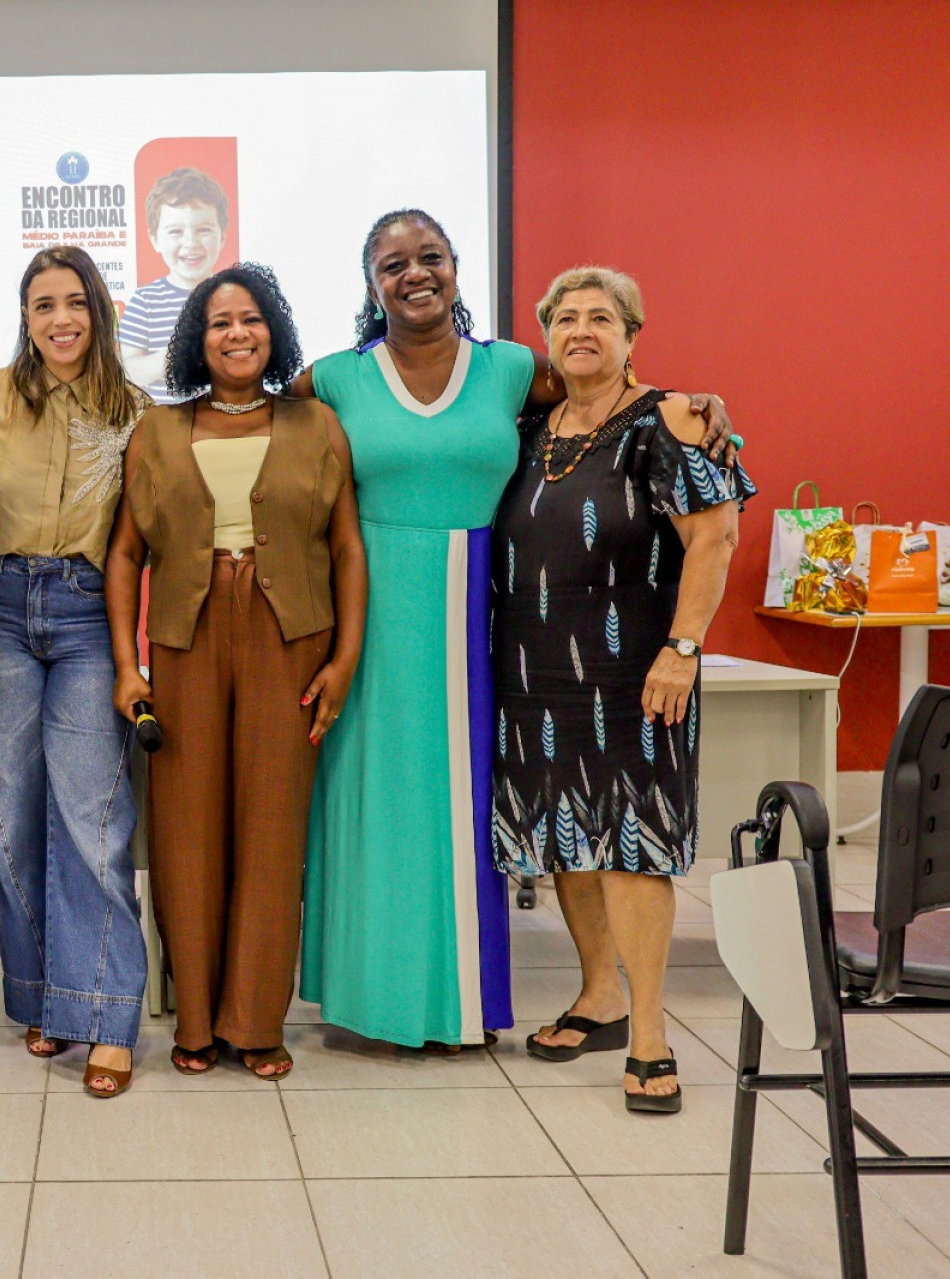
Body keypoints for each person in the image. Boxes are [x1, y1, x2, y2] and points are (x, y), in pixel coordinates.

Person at [293, 208, 737, 1052]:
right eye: (394, 263)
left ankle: (477, 1004)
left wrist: (694, 402)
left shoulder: (504, 370)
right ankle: (374, 994)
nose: (414, 273)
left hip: (481, 626)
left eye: (431, 257)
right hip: (377, 615)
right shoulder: (336, 378)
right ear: (371, 281)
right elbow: (259, 425)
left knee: (463, 809)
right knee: (381, 806)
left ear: (458, 269)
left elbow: (615, 398)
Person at [496, 268, 752, 1113]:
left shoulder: (668, 420)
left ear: (631, 333)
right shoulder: (534, 424)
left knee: (633, 845)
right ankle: (597, 993)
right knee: (566, 832)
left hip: (637, 672)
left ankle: (648, 1031)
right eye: (564, 317)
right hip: (537, 672)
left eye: (600, 317)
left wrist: (683, 648)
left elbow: (715, 536)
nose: (580, 329)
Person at [105, 264, 366, 1079]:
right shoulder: (157, 428)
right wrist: (126, 663)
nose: (237, 334)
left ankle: (255, 1021)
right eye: (219, 322)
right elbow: (124, 552)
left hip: (290, 636)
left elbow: (348, 548)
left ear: (273, 331)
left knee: (271, 827)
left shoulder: (316, 421)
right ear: (196, 339)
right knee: (184, 833)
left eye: (250, 319)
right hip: (184, 639)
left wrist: (346, 658)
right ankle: (194, 1023)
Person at [0, 245, 153, 1098]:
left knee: (91, 815)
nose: (60, 319)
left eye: (75, 302)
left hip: (83, 615)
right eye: (44, 305)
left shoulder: (136, 410)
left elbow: (142, 539)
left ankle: (107, 1015)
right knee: (13, 816)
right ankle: (42, 996)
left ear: (98, 310)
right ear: (24, 316)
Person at [118, 167, 230, 403]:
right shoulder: (145, 301)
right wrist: (178, 352)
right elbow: (129, 371)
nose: (191, 243)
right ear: (155, 240)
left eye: (204, 230)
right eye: (176, 232)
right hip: (165, 429)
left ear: (222, 236)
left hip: (224, 424)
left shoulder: (234, 296)